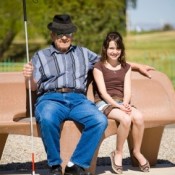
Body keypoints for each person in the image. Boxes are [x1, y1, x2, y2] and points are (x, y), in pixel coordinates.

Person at [23, 14, 153, 175]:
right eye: (59, 33)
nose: (64, 37)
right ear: (52, 35)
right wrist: (28, 77)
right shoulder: (40, 56)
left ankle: (76, 164)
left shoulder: (83, 53)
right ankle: (55, 165)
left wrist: (137, 66)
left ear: (72, 35)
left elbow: (110, 61)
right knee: (47, 118)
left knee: (99, 120)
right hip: (51, 99)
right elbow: (33, 87)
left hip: (78, 100)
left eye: (68, 33)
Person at [93, 31, 150, 174]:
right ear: (105, 48)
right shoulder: (98, 67)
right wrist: (117, 106)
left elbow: (127, 90)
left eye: (118, 48)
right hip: (104, 102)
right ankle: (118, 153)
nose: (114, 52)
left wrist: (125, 103)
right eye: (111, 48)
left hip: (121, 102)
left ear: (121, 50)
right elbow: (103, 93)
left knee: (138, 117)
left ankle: (136, 152)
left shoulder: (126, 67)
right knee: (125, 118)